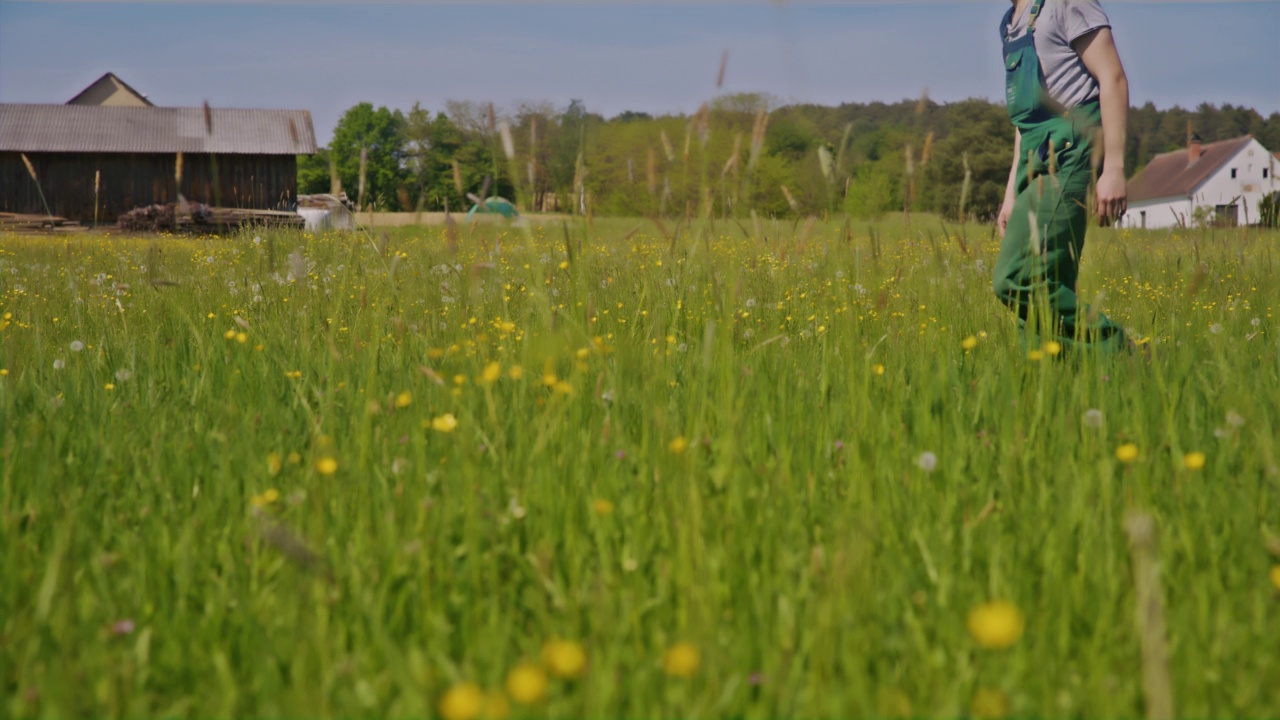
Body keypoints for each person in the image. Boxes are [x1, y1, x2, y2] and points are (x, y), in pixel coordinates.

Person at [992, 0, 1130, 352]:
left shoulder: (1067, 2)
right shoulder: (1011, 22)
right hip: (1033, 157)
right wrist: (1011, 192)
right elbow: (1027, 120)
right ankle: (1058, 381)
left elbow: (1112, 78)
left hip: (1071, 150)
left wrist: (1113, 167)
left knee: (1017, 277)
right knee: (1044, 290)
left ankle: (1124, 353)